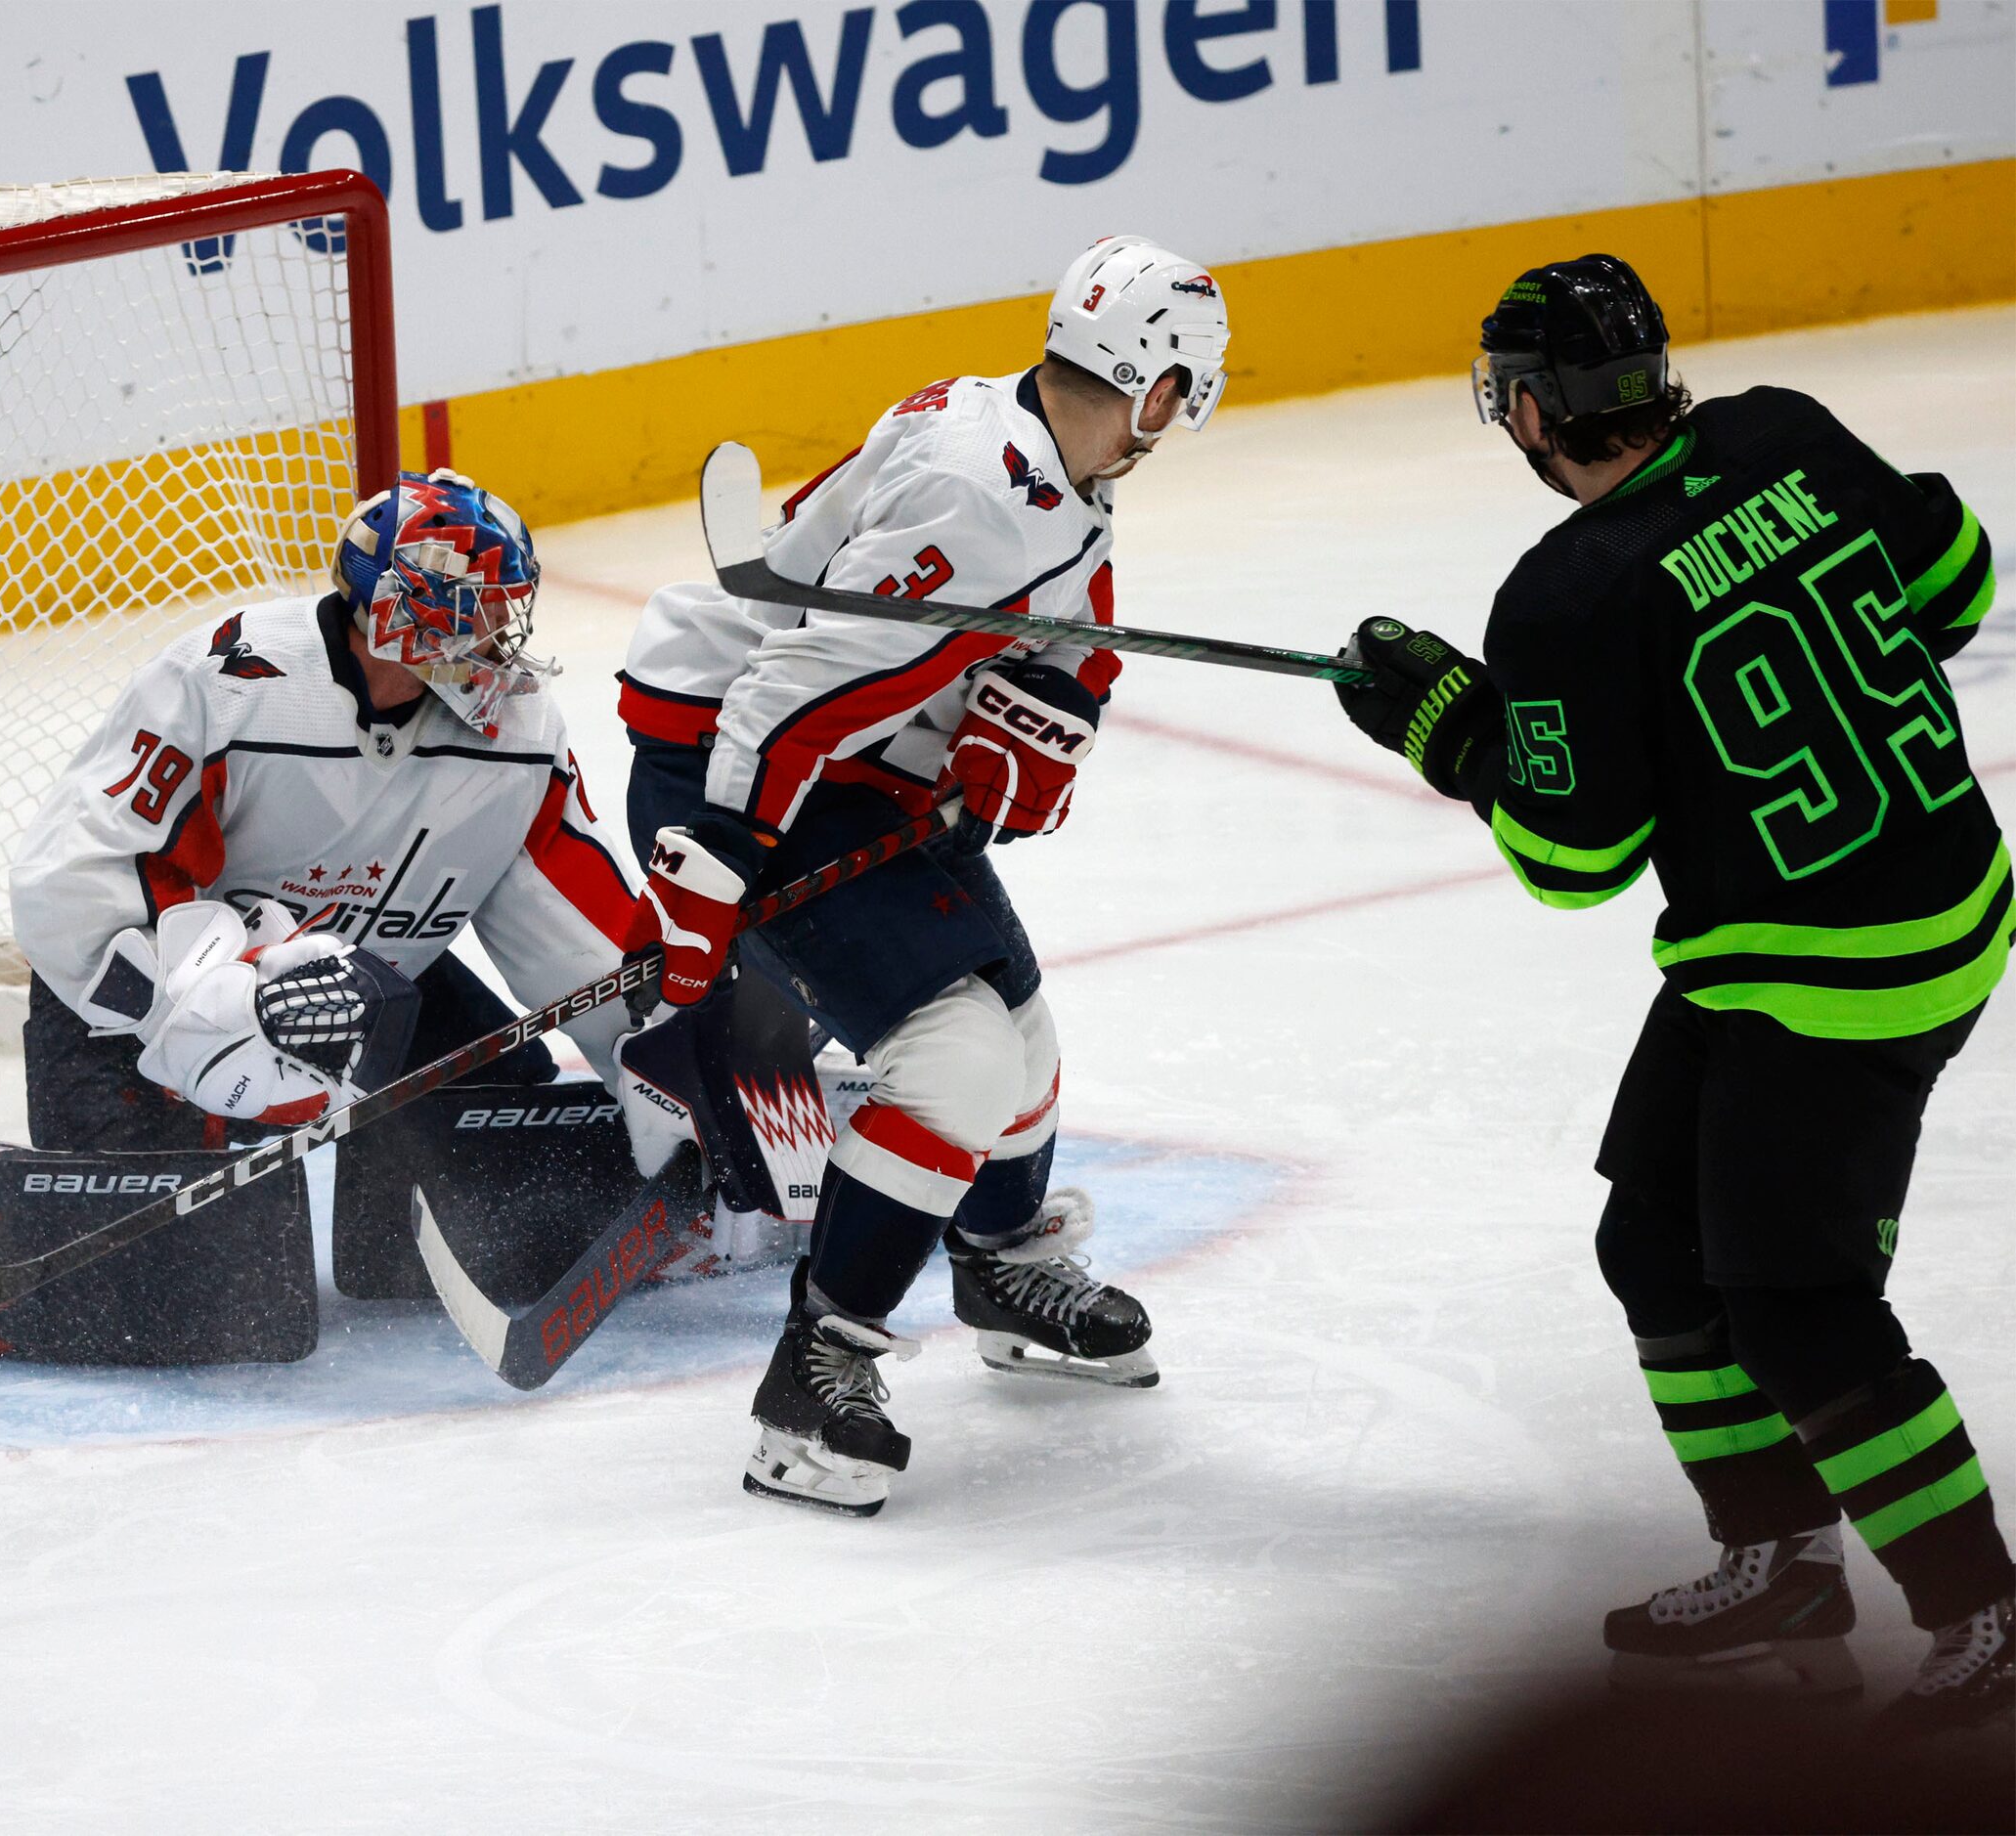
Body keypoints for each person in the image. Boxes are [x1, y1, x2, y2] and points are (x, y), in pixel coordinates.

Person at [1334, 253, 2007, 1732]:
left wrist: (1455, 734)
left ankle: (1983, 1614)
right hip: (1931, 905)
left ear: (1526, 409)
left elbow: (1575, 861)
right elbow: (1957, 585)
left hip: (1824, 979)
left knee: (1797, 1306)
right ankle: (1777, 1555)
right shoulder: (1785, 428)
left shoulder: (1568, 593)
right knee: (1654, 1232)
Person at [617, 235, 1231, 1514]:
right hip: (741, 766)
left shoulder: (1031, 439)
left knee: (1020, 1025)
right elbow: (785, 698)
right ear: (1159, 381)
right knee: (954, 1056)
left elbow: (1070, 601)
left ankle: (1000, 1263)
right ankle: (813, 1377)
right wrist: (717, 852)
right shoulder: (981, 502)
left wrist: (1053, 704)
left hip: (840, 766)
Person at [9, 469, 642, 1158]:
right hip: (141, 1006)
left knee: (517, 1131)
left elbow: (575, 926)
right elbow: (82, 877)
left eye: (506, 611)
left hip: (363, 990)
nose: (500, 638)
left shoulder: (520, 734)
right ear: (404, 610)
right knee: (144, 1238)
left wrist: (655, 1050)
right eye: (479, 611)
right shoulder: (231, 679)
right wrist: (194, 1009)